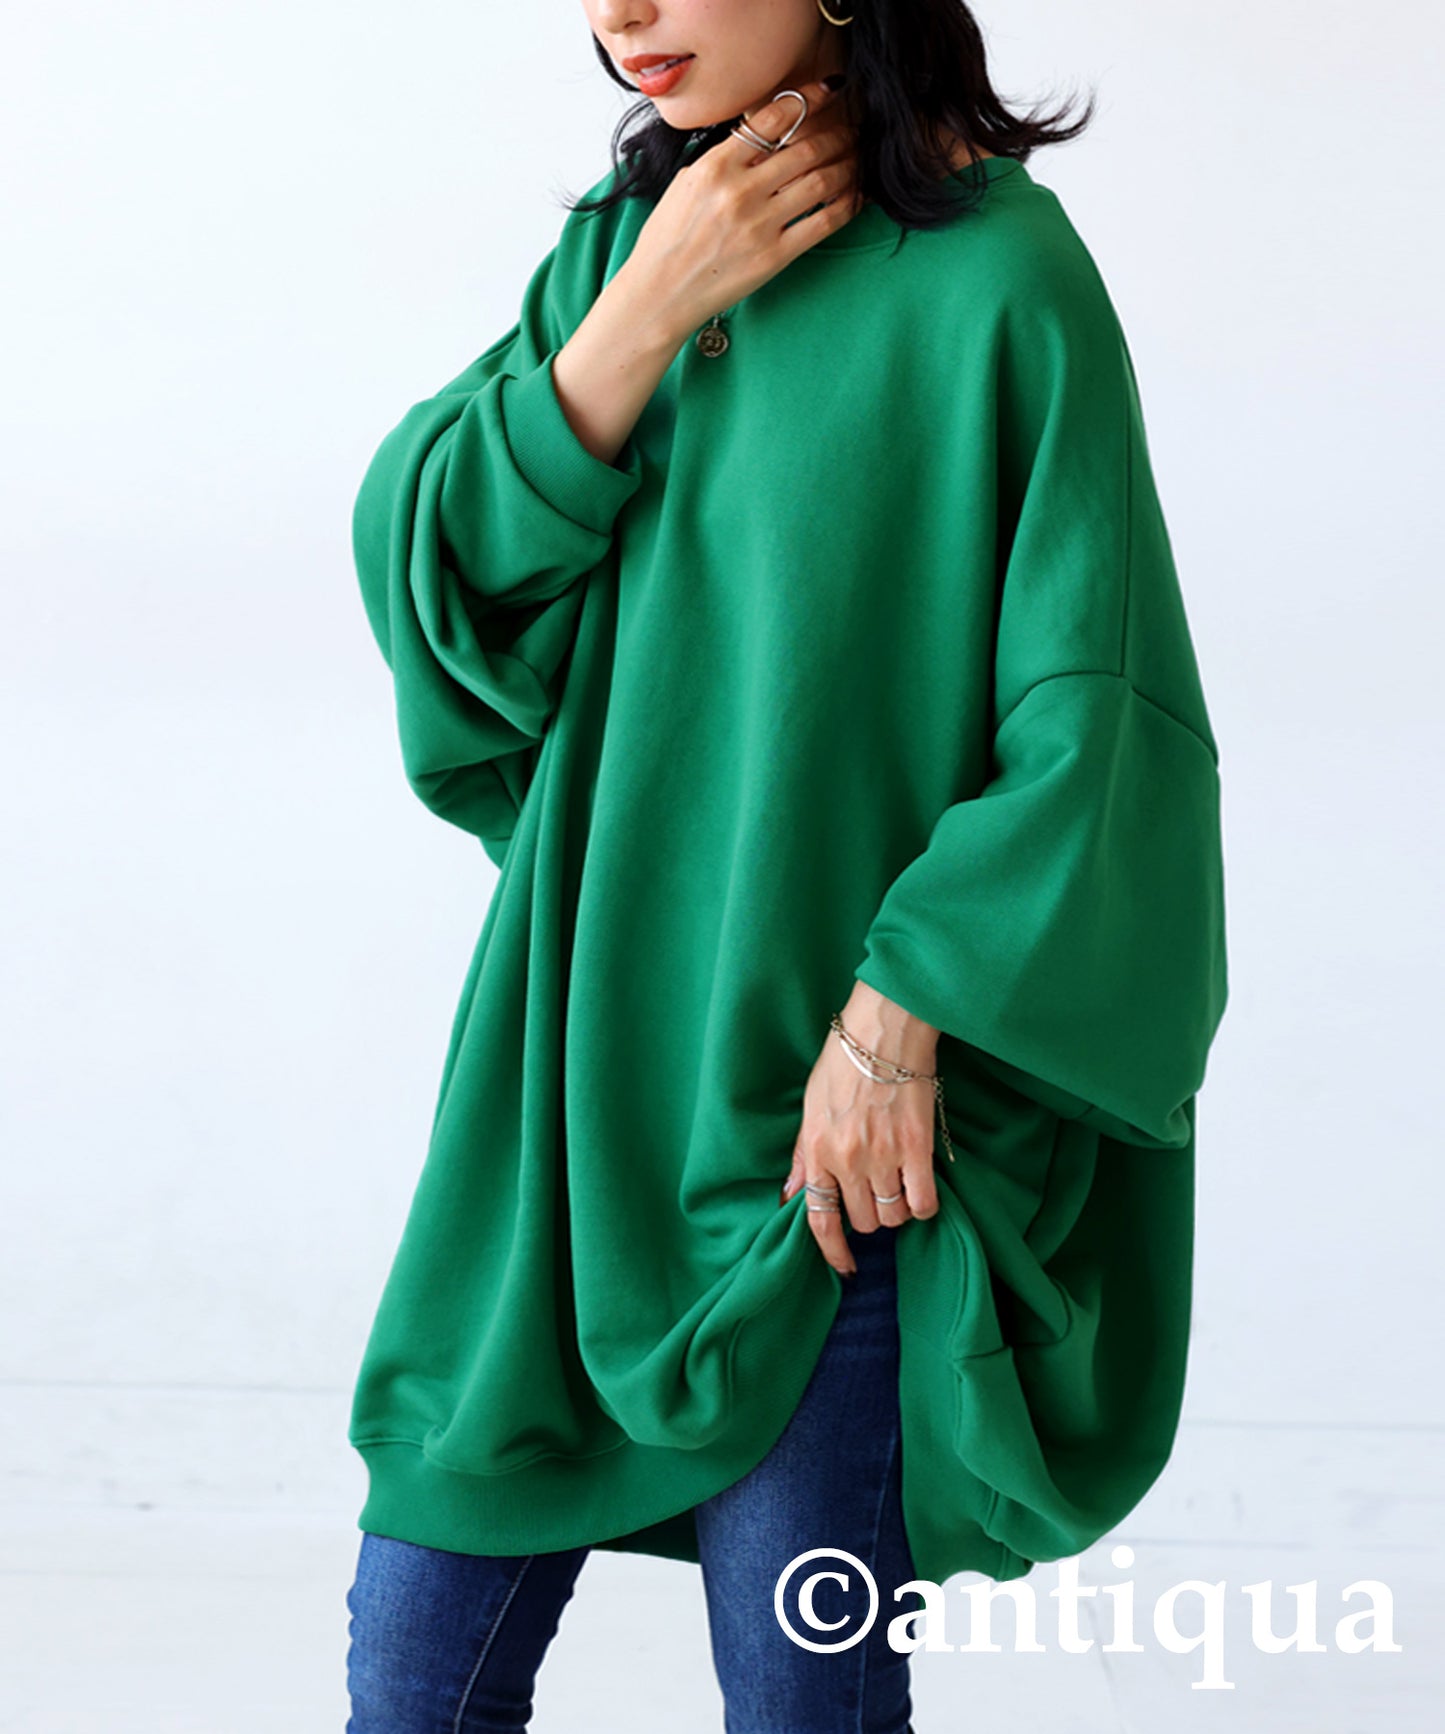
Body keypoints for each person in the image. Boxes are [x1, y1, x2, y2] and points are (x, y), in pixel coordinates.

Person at [342, 1, 1230, 1728]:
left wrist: (897, 1019)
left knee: (797, 1703)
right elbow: (437, 568)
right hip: (568, 1109)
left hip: (830, 1163)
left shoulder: (1003, 285)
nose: (619, 13)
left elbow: (1099, 722)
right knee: (411, 1681)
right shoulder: (627, 247)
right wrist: (641, 313)